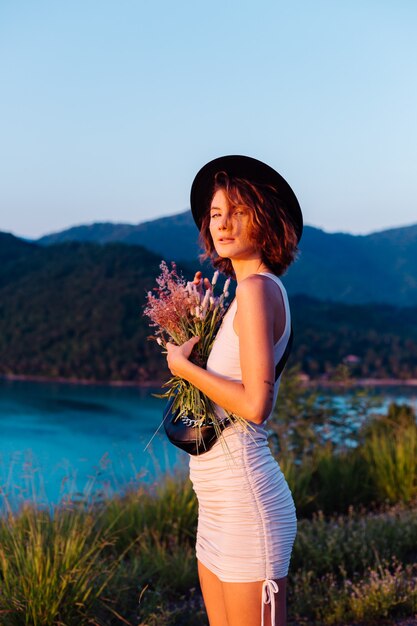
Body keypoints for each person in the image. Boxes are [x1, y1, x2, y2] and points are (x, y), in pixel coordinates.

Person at [165, 155, 303, 626]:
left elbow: (256, 405)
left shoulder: (257, 291)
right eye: (216, 213)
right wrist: (195, 326)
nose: (223, 224)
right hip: (217, 503)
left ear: (265, 220)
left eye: (238, 212)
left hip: (248, 505)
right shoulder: (245, 294)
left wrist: (183, 367)